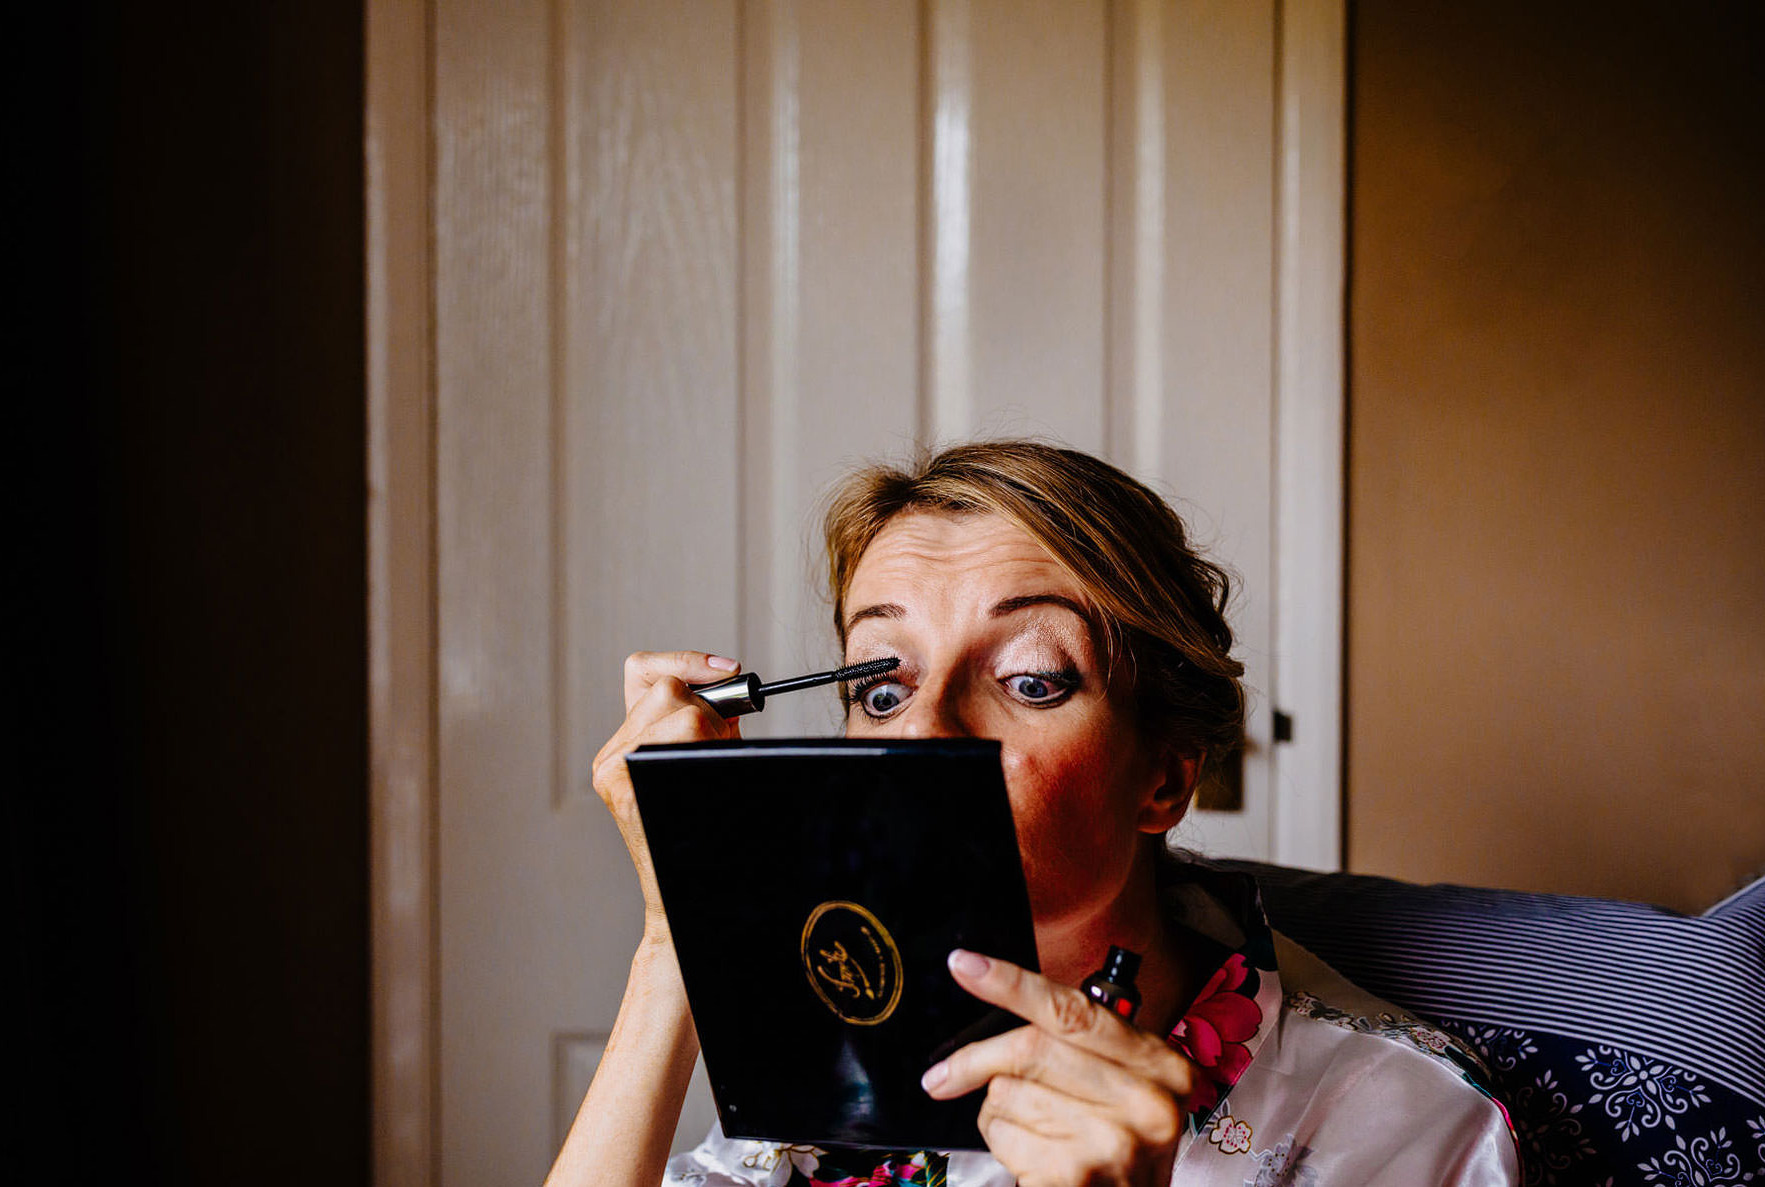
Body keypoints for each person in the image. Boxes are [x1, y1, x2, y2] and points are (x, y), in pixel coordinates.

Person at [547, 441, 1519, 1187]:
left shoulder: (1397, 1118)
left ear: (1163, 779)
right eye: (880, 690)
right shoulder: (843, 1021)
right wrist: (680, 927)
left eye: (1030, 680)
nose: (920, 738)